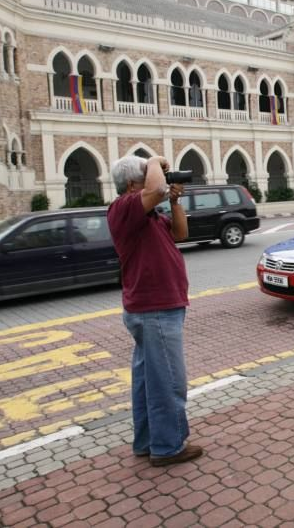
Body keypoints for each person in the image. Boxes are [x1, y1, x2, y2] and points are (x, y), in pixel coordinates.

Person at [107, 155, 203, 467]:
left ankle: (148, 441)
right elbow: (155, 189)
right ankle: (168, 446)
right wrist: (153, 161)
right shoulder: (123, 208)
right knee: (169, 382)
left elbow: (181, 234)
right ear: (134, 184)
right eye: (150, 176)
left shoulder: (148, 216)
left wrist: (175, 202)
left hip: (157, 308)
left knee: (149, 381)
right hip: (155, 310)